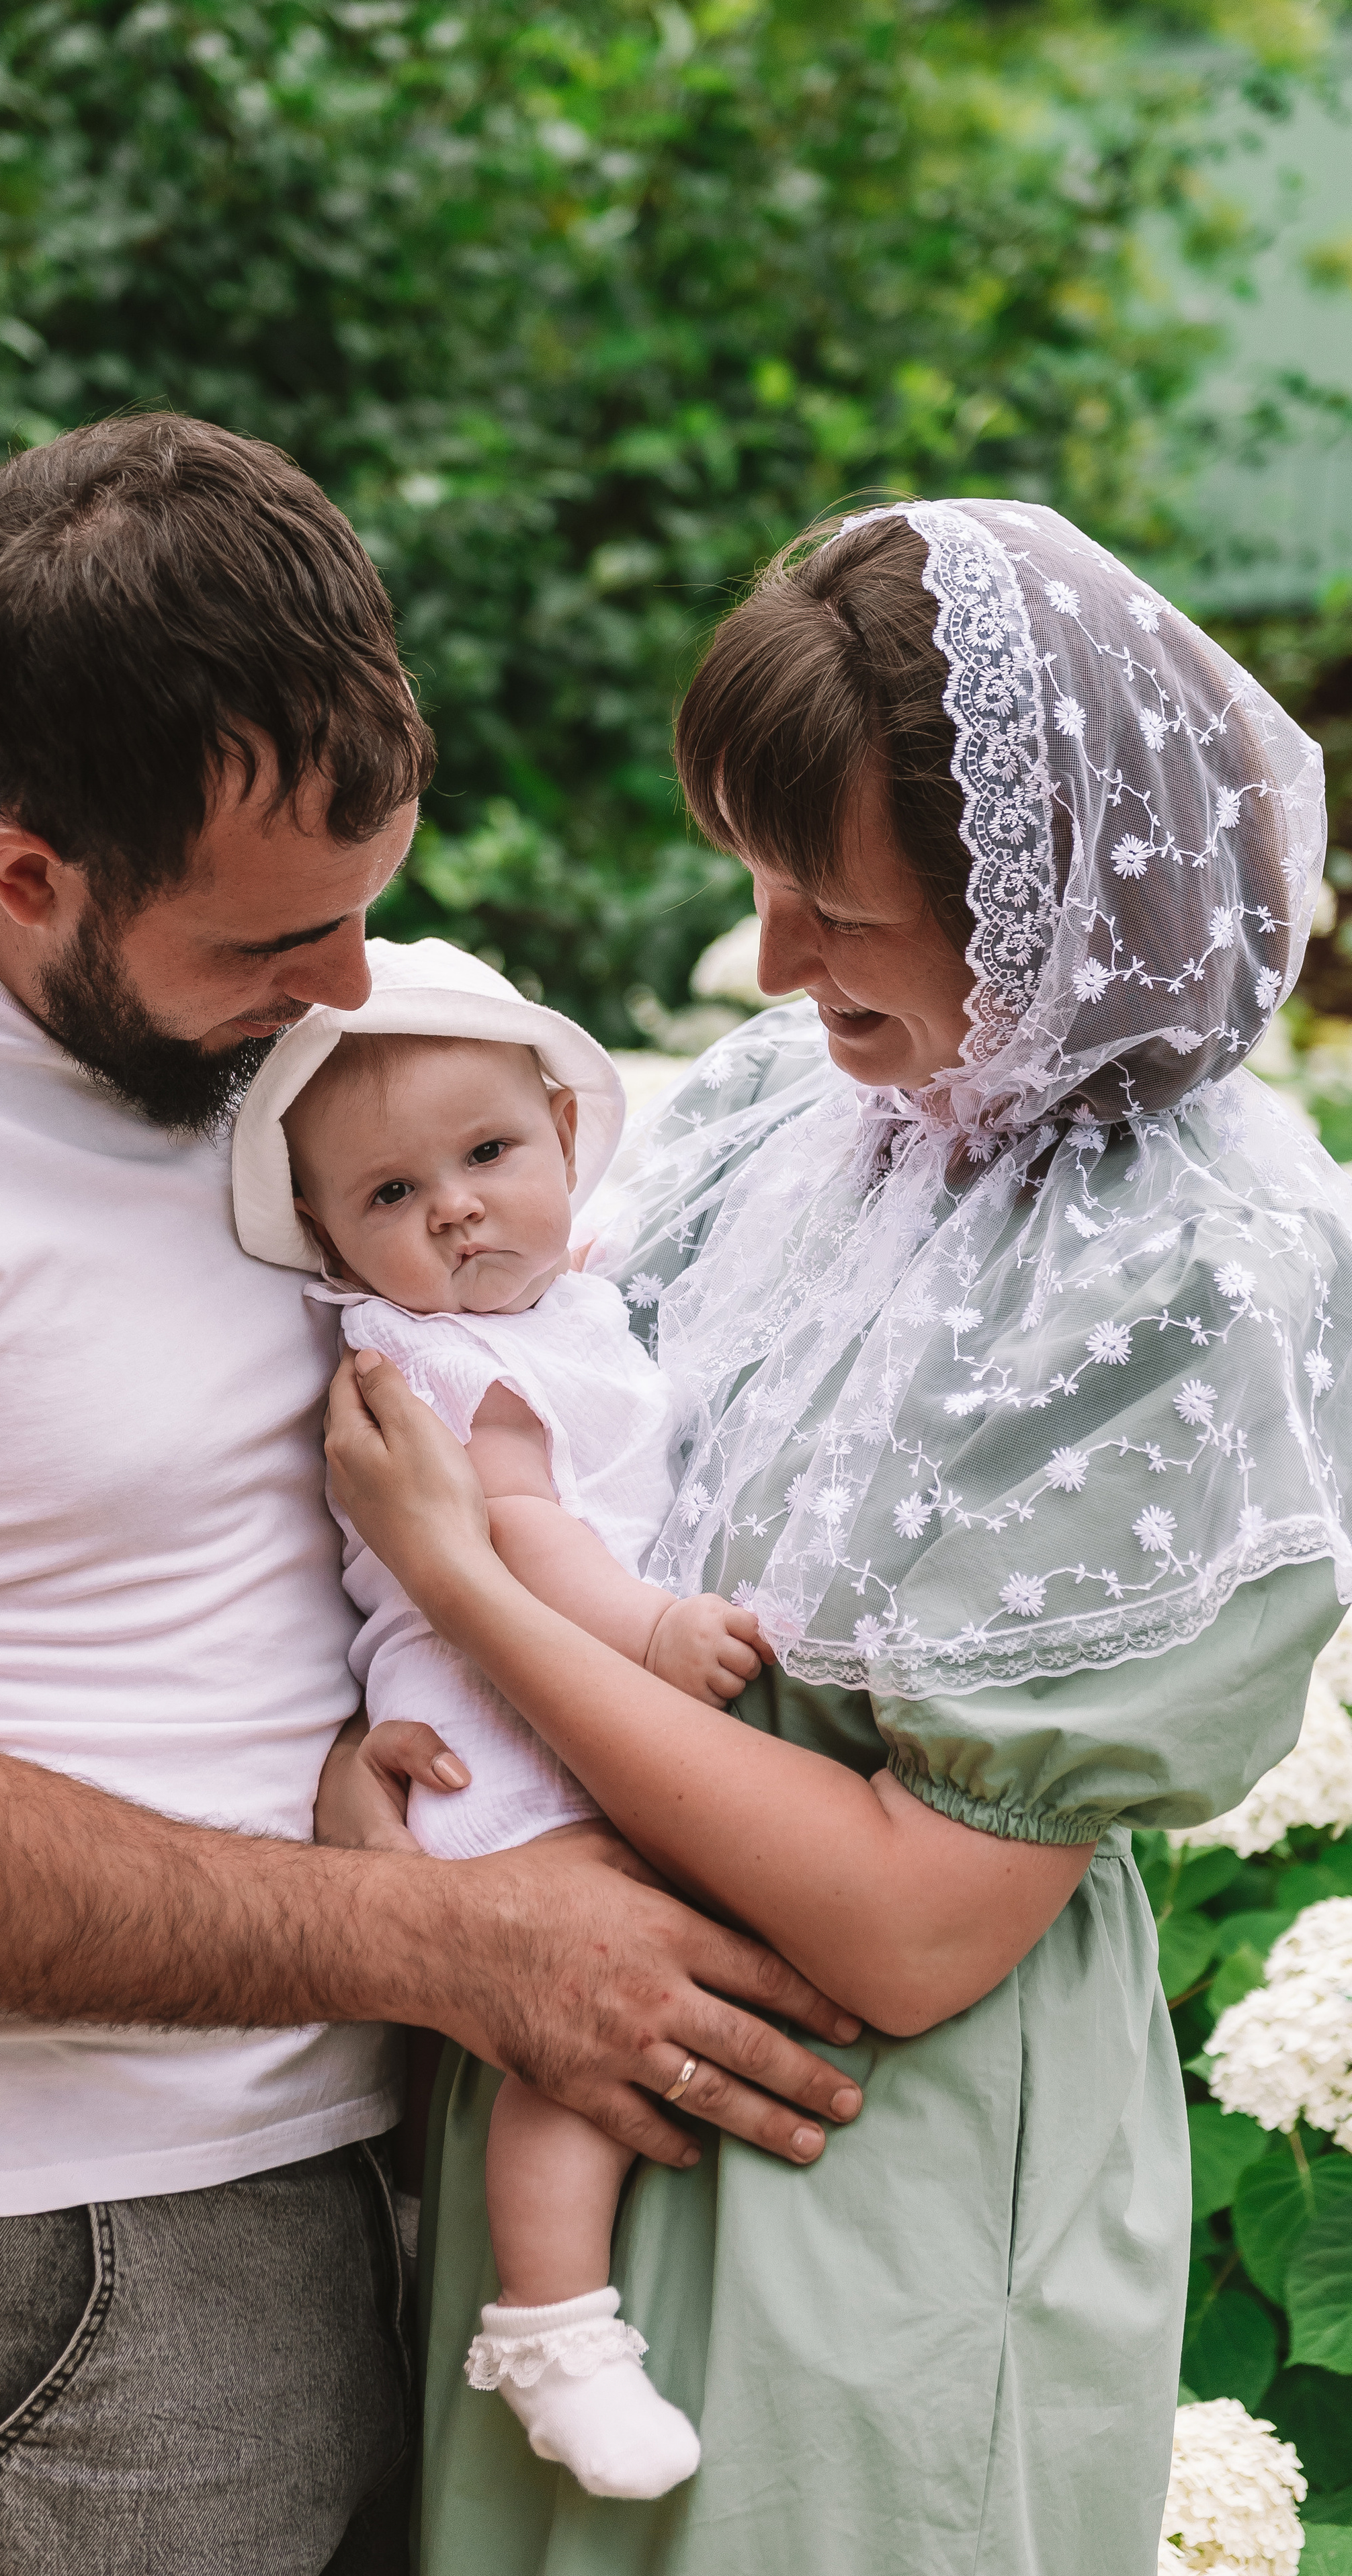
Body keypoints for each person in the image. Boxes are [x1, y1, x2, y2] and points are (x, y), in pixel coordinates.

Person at [0, 415, 864, 2575]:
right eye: (277, 946)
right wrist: (462, 1941)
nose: (349, 995)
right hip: (46, 2286)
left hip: (371, 2165)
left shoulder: (242, 991)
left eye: (365, 912)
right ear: (33, 872)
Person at [319, 497, 1352, 2576]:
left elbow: (910, 1926)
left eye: (836, 913)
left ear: (1053, 915)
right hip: (588, 2131)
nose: (778, 969)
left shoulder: (1198, 1277)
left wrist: (458, 1588)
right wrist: (397, 1806)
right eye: (761, 891)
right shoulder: (789, 1114)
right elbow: (565, 1473)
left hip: (863, 2186)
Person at [233, 937, 771, 2501]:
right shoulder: (438, 1358)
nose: (455, 1207)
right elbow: (522, 1535)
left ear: (559, 1129)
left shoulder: (561, 1310)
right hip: (505, 1732)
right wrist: (653, 1630)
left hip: (542, 1709)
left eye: (485, 1155)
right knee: (565, 2039)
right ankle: (551, 2330)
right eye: (390, 1197)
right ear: (330, 1234)